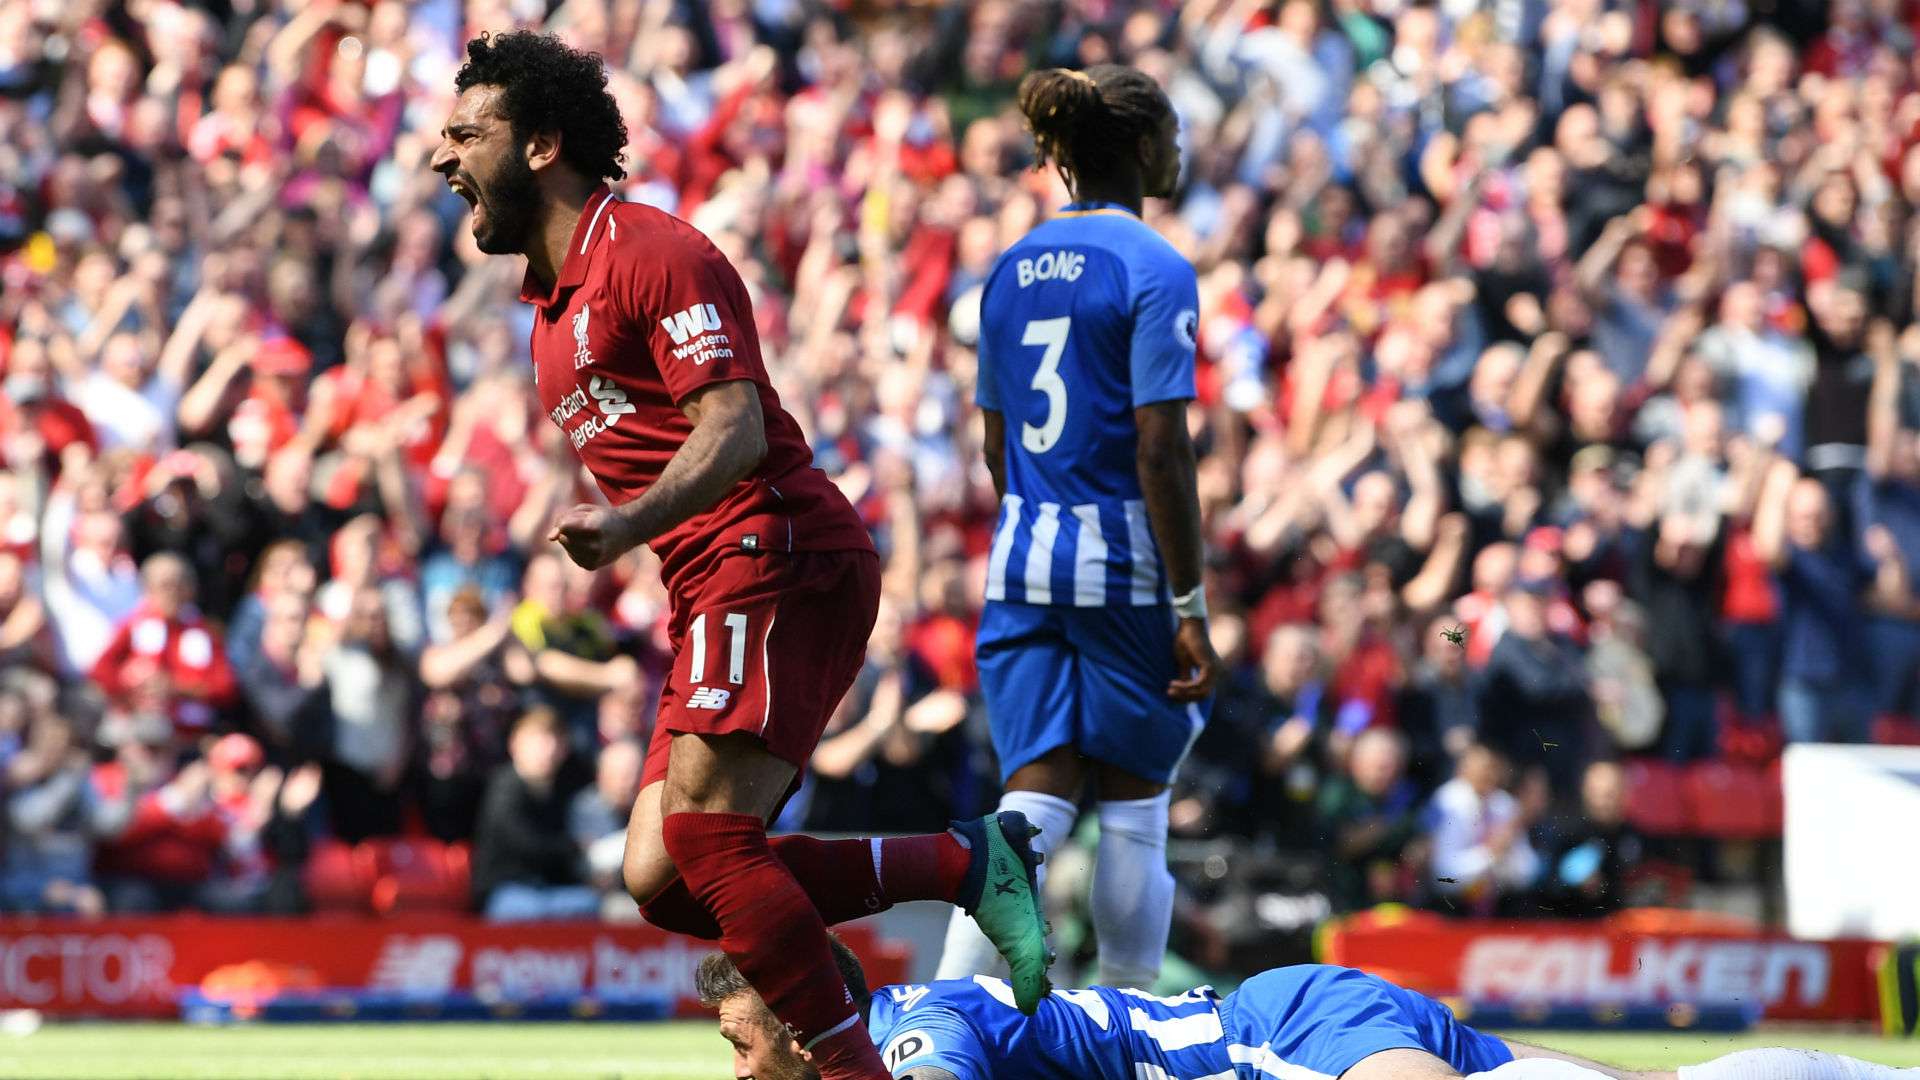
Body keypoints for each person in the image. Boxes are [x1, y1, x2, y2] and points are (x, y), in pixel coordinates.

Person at [431, 32, 1048, 1079]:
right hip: (709, 580)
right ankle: (959, 860)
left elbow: (736, 432)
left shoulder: (651, 253)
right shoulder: (548, 316)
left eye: (464, 133)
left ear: (540, 144)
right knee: (662, 875)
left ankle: (856, 1072)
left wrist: (625, 525)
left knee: (712, 844)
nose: (442, 159)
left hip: (774, 551)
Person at [936, 63, 1221, 993]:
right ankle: (1133, 1022)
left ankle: (946, 1016)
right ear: (1141, 148)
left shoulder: (1008, 270)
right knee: (1137, 810)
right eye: (1172, 136)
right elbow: (1160, 449)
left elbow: (993, 441)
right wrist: (1188, 599)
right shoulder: (1154, 266)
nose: (1179, 152)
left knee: (1033, 798)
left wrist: (1036, 525)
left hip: (1021, 564)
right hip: (1122, 567)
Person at [696, 938, 1918, 1080]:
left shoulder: (922, 1027)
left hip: (1268, 1042)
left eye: (742, 1042)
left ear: (802, 1020)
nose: (737, 1073)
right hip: (1294, 1022)